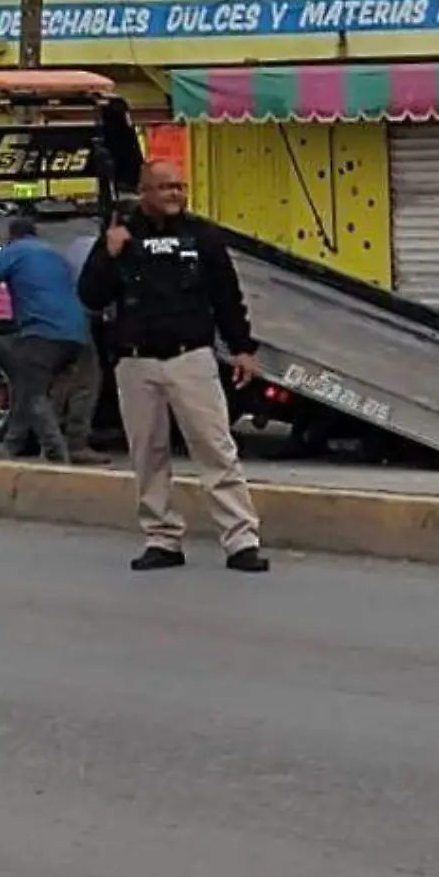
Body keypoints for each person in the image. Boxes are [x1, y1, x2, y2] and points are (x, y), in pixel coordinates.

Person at [78, 161, 270, 574]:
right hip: (135, 362)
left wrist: (243, 348)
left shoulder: (202, 237)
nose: (175, 194)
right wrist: (108, 257)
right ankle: (162, 538)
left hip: (190, 358)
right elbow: (90, 296)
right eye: (165, 187)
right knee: (148, 455)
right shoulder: (120, 235)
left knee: (216, 448)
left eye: (180, 187)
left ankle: (241, 541)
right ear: (144, 191)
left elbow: (227, 296)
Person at [0, 216, 91, 464]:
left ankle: (55, 450)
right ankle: (11, 447)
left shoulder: (15, 251)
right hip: (78, 333)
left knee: (33, 394)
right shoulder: (56, 255)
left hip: (42, 332)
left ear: (12, 235)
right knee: (40, 391)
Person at [48, 232, 111, 465]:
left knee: (63, 379)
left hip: (56, 318)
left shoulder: (79, 242)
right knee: (87, 380)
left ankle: (50, 440)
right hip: (75, 322)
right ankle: (76, 443)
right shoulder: (106, 250)